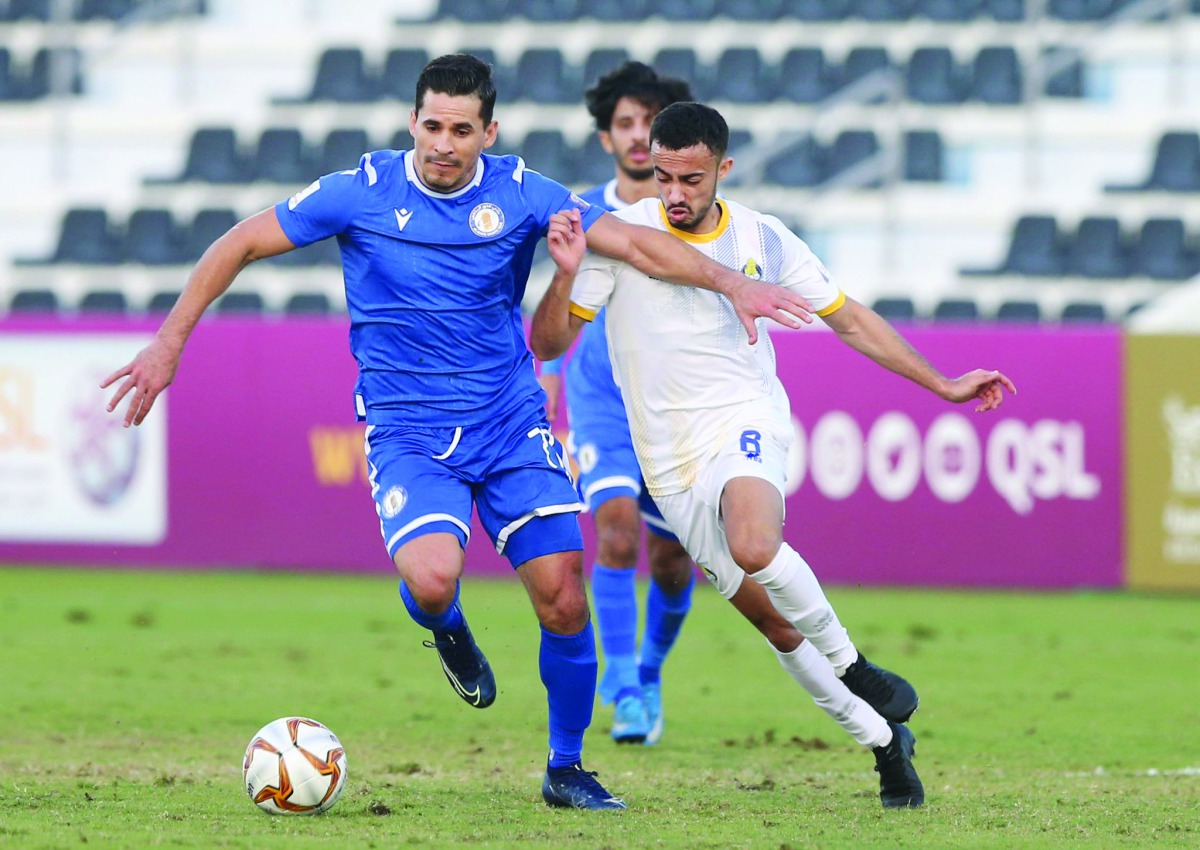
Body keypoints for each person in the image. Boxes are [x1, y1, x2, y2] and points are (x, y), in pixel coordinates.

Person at [100, 55, 815, 812]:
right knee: (434, 579)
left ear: (488, 132)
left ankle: (566, 768)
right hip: (408, 429)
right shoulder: (361, 192)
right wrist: (168, 342)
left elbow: (638, 246)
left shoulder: (519, 192)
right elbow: (238, 243)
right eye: (433, 126)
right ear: (413, 123)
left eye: (461, 130)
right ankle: (447, 631)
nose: (444, 143)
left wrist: (733, 280)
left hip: (508, 423)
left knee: (564, 598)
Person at [530, 101, 1017, 809]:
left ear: (723, 169)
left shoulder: (765, 237)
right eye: (663, 176)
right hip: (668, 463)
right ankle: (883, 740)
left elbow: (847, 318)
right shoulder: (624, 240)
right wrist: (566, 273)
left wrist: (941, 383)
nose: (674, 193)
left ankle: (855, 667)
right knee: (776, 623)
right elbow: (547, 344)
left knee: (756, 544)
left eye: (691, 179)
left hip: (744, 422)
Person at [538, 61, 697, 747]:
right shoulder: (580, 213)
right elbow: (553, 305)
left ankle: (650, 671)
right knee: (615, 528)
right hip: (600, 398)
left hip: (672, 408)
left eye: (650, 124)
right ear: (607, 138)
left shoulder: (695, 216)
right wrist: (545, 378)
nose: (638, 137)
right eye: (625, 124)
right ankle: (626, 688)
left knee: (672, 561)